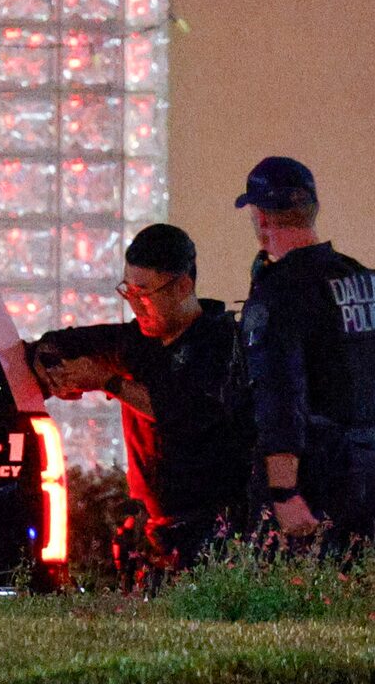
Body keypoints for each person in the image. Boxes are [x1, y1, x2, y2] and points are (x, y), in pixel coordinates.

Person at [27, 223, 253, 581]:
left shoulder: (221, 344)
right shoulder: (136, 342)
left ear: (183, 285)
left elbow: (181, 412)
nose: (135, 304)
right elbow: (61, 343)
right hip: (154, 529)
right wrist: (52, 365)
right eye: (128, 291)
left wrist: (106, 380)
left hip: (216, 527)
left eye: (145, 292)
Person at [233, 156, 375, 553]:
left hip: (314, 480)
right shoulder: (367, 282)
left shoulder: (279, 293)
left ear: (261, 220)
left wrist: (283, 492)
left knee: (295, 607)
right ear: (313, 210)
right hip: (374, 472)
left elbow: (279, 395)